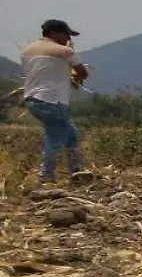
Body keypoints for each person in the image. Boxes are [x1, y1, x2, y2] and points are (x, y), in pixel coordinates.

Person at [18, 19, 90, 182]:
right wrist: (76, 79)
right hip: (53, 101)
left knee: (71, 134)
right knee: (55, 137)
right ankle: (46, 176)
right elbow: (83, 72)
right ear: (53, 34)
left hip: (32, 99)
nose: (68, 39)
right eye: (66, 34)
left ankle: (78, 172)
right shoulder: (65, 52)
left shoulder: (27, 51)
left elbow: (45, 73)